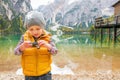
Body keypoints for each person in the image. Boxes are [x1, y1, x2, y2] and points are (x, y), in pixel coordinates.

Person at [14, 11, 58, 80]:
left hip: (45, 74)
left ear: (42, 27)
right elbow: (16, 52)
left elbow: (55, 52)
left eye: (38, 29)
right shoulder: (24, 38)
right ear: (28, 29)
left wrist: (48, 46)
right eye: (31, 29)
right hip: (29, 75)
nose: (35, 32)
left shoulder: (48, 38)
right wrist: (22, 47)